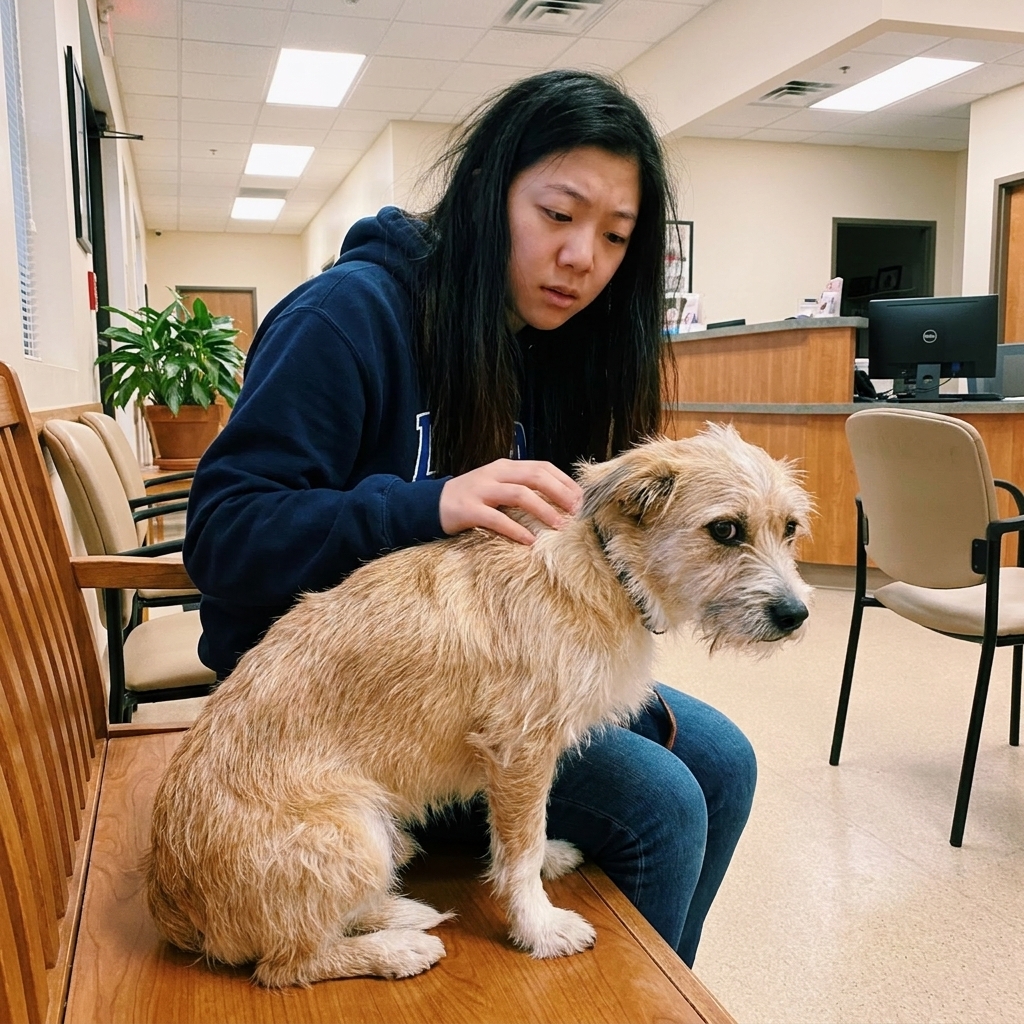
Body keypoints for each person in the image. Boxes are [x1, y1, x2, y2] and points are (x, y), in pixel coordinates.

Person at [183, 69, 756, 968]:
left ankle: (662, 987)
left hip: (492, 667)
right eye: (559, 216)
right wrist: (428, 503)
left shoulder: (553, 345)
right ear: (491, 196)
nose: (583, 260)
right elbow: (222, 532)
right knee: (663, 804)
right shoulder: (347, 317)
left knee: (724, 758)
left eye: (616, 237)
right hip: (344, 714)